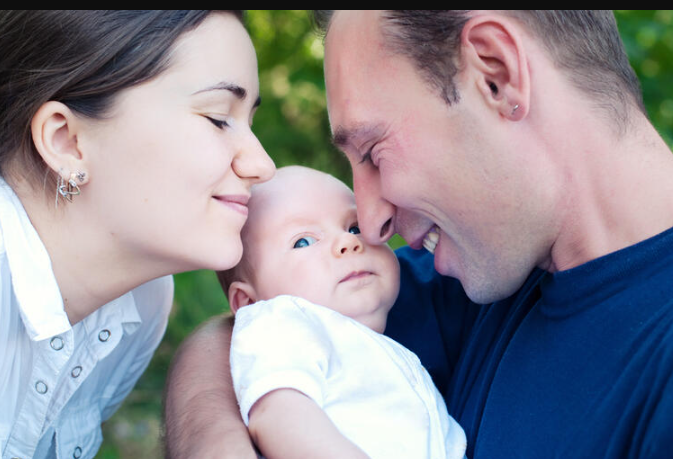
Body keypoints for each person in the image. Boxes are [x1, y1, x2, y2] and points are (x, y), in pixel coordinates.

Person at [164, 10, 673, 459]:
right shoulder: (486, 267)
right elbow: (244, 330)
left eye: (373, 152)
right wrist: (215, 441)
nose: (371, 222)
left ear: (496, 74)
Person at [0, 10, 274, 459]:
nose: (262, 166)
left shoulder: (139, 308)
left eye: (250, 123)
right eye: (218, 117)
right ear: (66, 140)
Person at [221, 165, 467, 459]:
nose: (348, 243)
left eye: (354, 227)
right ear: (249, 304)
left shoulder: (377, 345)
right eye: (303, 241)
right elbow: (279, 416)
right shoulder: (279, 323)